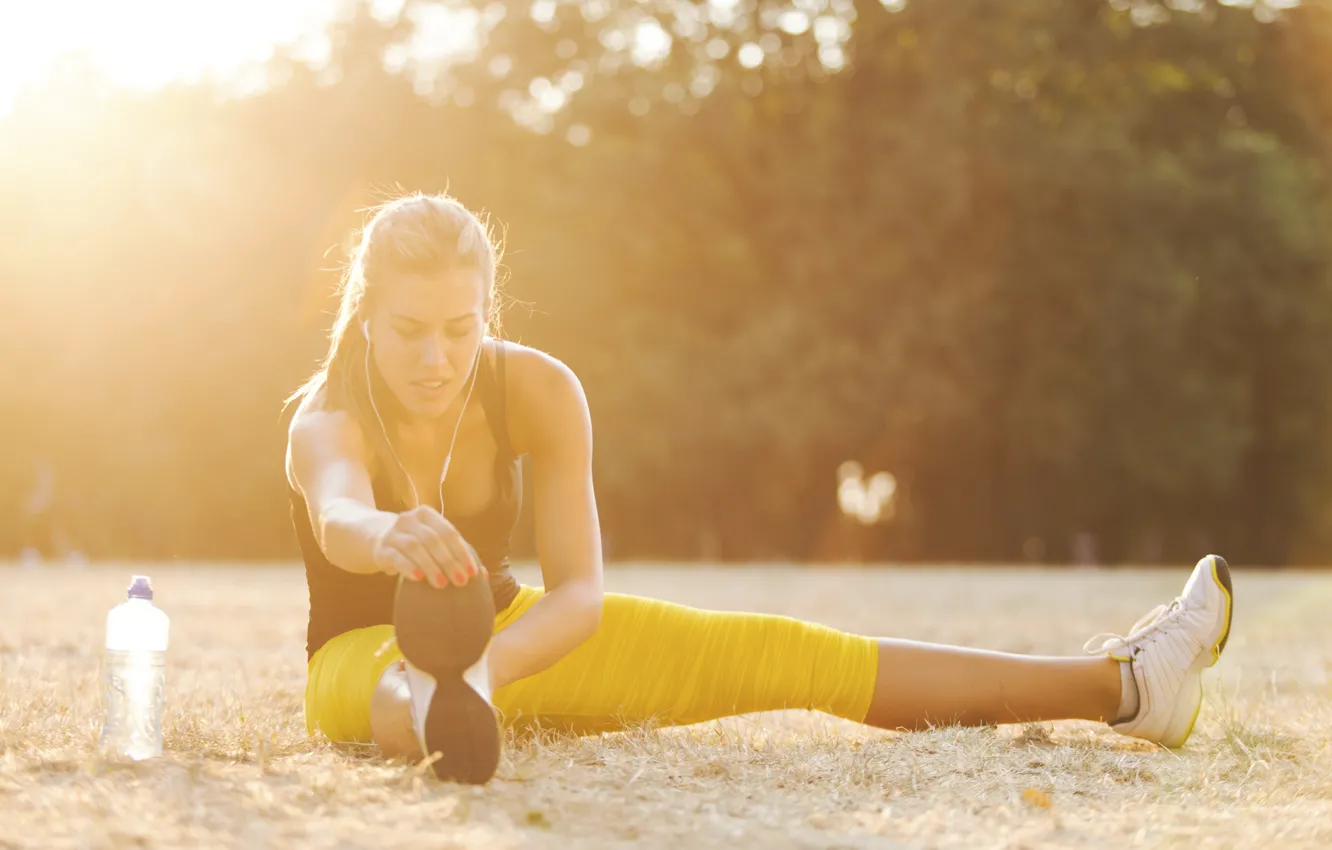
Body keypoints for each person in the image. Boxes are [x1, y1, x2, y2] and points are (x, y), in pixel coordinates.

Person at [284, 192, 1235, 785]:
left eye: (459, 326)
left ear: (487, 309)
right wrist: (386, 537)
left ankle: (1128, 686)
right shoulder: (326, 415)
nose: (436, 356)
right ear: (366, 318)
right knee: (403, 699)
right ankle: (439, 721)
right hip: (364, 653)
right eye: (408, 330)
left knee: (794, 654)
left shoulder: (538, 388)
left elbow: (578, 593)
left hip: (512, 634)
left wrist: (490, 669)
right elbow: (336, 512)